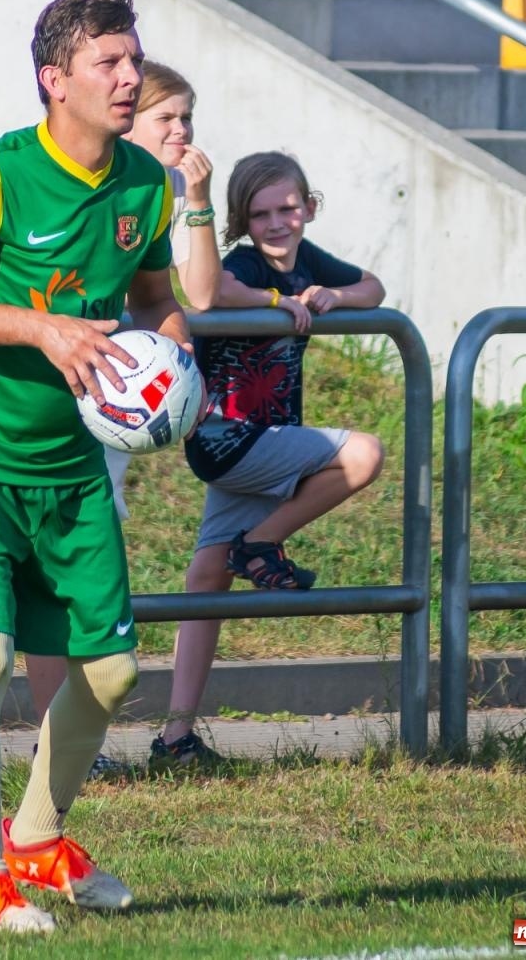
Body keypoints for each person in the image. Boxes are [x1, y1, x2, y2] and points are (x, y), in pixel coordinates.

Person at [0, 0, 191, 933]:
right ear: (56, 80)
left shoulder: (145, 185)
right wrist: (40, 328)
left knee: (113, 672)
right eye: (109, 62)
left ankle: (37, 838)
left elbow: (155, 299)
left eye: (134, 59)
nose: (130, 76)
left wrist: (174, 364)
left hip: (71, 464)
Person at [152, 150, 386, 765]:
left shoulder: (309, 261)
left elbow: (374, 288)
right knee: (363, 454)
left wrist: (333, 294)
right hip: (229, 439)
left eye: (288, 208)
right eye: (261, 215)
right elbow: (214, 290)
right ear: (242, 222)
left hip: (259, 443)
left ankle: (175, 737)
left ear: (309, 206)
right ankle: (259, 544)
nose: (278, 223)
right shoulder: (245, 264)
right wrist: (277, 298)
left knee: (207, 579)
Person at [24, 60, 220, 748]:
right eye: (167, 117)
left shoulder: (157, 193)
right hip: (58, 399)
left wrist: (200, 199)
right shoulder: (90, 186)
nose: (182, 130)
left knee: (86, 573)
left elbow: (192, 296)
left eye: (187, 118)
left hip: (118, 406)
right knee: (53, 578)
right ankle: (56, 738)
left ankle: (76, 744)